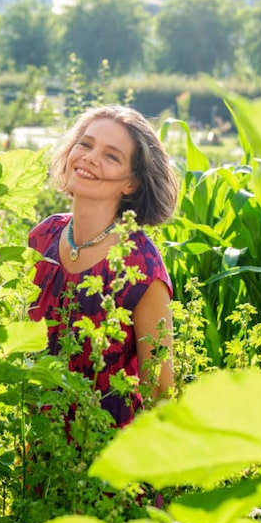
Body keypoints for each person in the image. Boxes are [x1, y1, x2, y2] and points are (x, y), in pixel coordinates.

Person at [28, 105, 179, 428]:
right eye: (85, 144)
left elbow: (160, 391)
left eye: (112, 156)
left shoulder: (141, 267)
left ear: (132, 185)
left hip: (107, 455)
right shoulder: (43, 238)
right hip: (39, 449)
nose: (90, 157)